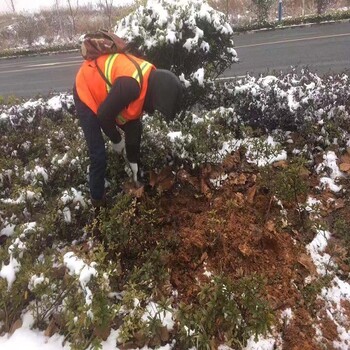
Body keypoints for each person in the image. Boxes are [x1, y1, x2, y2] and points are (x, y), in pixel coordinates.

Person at [73, 52, 183, 208]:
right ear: (156, 96)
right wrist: (116, 140)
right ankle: (98, 204)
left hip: (108, 96)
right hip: (86, 88)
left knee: (135, 129)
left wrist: (134, 164)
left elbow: (133, 125)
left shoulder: (148, 82)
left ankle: (136, 174)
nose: (154, 111)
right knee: (98, 156)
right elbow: (104, 115)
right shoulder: (131, 86)